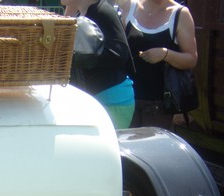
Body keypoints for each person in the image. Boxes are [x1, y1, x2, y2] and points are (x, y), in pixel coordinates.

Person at [116, 0, 197, 128]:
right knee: (125, 146)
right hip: (126, 99)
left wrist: (165, 54)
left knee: (149, 146)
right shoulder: (129, 7)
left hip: (158, 105)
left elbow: (191, 59)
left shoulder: (180, 14)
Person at [62, 0, 135, 129]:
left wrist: (76, 57)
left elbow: (120, 52)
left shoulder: (102, 12)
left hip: (112, 100)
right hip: (96, 98)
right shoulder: (82, 13)